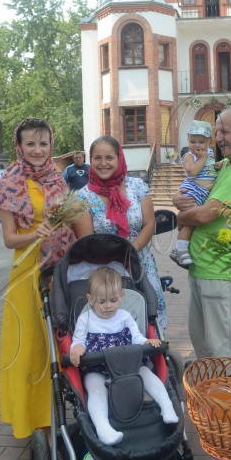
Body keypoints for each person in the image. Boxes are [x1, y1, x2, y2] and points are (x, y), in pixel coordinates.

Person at [0, 117, 88, 442]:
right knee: (31, 348)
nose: (37, 150)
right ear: (19, 147)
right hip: (27, 273)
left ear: (51, 145)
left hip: (58, 271)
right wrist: (35, 233)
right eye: (30, 144)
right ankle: (32, 421)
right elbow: (8, 239)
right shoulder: (8, 182)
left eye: (43, 143)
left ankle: (53, 417)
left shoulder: (57, 181)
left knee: (55, 344)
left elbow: (73, 220)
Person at [173, 110, 231, 359]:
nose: (219, 138)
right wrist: (177, 198)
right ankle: (211, 397)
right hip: (203, 269)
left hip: (219, 272)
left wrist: (179, 217)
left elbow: (204, 215)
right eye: (217, 131)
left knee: (224, 353)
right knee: (205, 350)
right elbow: (196, 191)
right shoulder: (228, 165)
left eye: (225, 132)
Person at [69, 265, 179, 446]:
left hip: (129, 364)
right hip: (96, 367)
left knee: (147, 374)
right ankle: (103, 428)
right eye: (101, 302)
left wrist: (146, 342)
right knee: (95, 389)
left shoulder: (125, 317)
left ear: (121, 296)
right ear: (90, 299)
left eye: (113, 300)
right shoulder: (85, 319)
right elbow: (77, 340)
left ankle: (167, 407)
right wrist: (78, 348)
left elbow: (136, 337)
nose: (107, 306)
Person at [73, 135, 168, 333]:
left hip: (140, 264)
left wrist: (131, 251)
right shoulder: (82, 197)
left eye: (109, 157)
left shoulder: (138, 187)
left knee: (148, 320)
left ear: (119, 159)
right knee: (110, 326)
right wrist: (118, 257)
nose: (103, 163)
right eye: (97, 158)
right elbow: (87, 241)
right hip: (103, 271)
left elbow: (149, 224)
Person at [169, 121, 223, 267]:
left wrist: (216, 165)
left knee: (191, 221)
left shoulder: (209, 154)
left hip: (203, 194)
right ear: (188, 140)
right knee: (190, 222)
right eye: (193, 141)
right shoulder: (189, 156)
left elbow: (210, 168)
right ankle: (181, 250)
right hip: (192, 191)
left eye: (201, 142)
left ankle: (178, 250)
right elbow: (192, 171)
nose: (196, 145)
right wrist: (203, 159)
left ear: (209, 142)